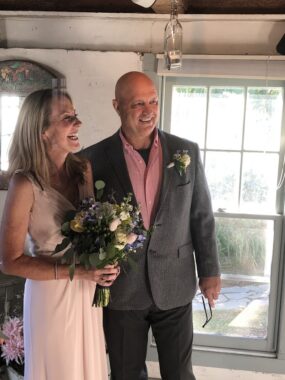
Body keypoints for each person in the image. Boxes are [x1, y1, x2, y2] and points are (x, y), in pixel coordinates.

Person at [81, 71, 221, 380]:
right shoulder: (91, 160)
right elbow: (83, 224)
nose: (149, 111)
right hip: (122, 289)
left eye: (153, 101)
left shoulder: (186, 151)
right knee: (126, 373)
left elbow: (201, 217)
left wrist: (210, 271)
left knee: (180, 374)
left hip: (176, 283)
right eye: (138, 103)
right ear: (117, 106)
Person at [0, 89, 119, 380]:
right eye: (67, 118)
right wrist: (80, 272)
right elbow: (10, 261)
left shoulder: (82, 170)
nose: (78, 123)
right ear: (42, 131)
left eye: (75, 115)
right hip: (50, 295)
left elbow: (91, 232)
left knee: (88, 367)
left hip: (86, 291)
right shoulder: (24, 184)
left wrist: (107, 257)